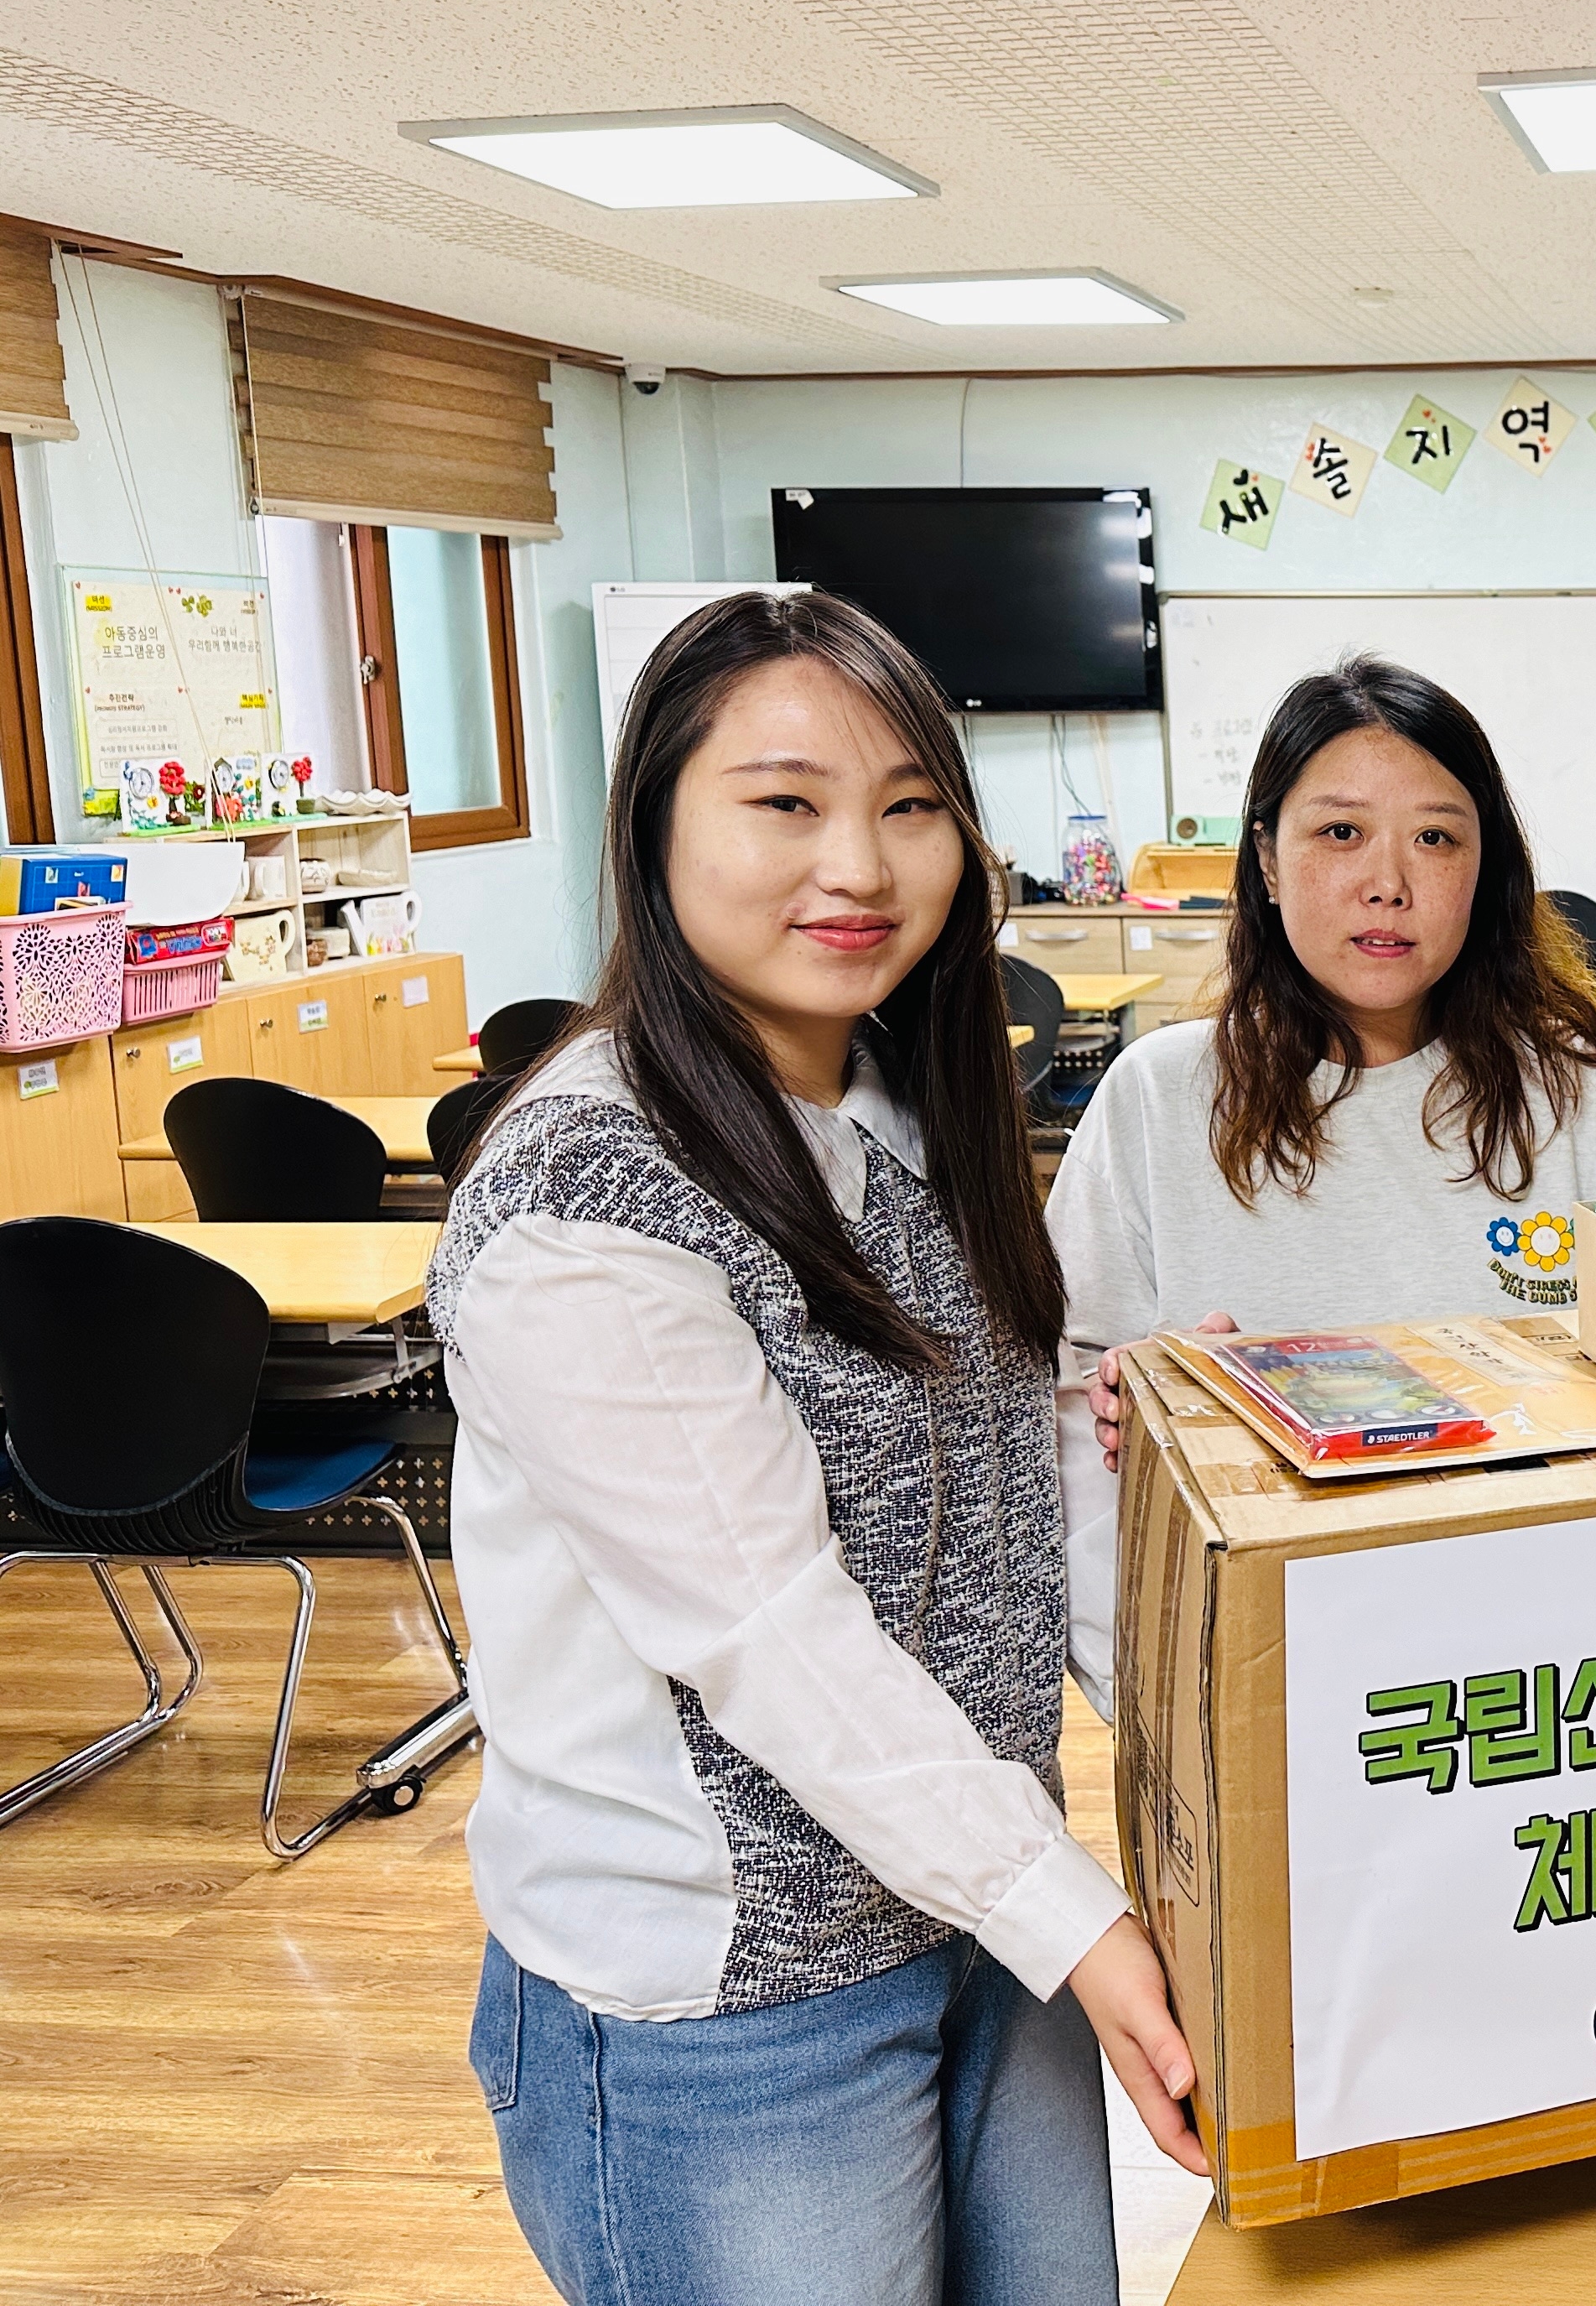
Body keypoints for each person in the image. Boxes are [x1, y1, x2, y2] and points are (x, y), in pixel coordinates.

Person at [432, 590, 1203, 2306]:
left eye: (909, 805)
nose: (856, 864)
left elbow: (1010, 1497)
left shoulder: (909, 1114)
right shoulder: (590, 1196)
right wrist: (1081, 1924)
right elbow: (773, 1640)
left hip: (978, 1913)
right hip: (736, 2004)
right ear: (657, 827)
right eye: (784, 803)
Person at [1060, 653, 1596, 1471]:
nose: (1387, 884)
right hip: (1259, 1585)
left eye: (1434, 838)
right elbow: (1071, 1404)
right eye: (1341, 833)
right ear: (1268, 861)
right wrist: (1132, 1392)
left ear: (1483, 867)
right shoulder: (1155, 1097)